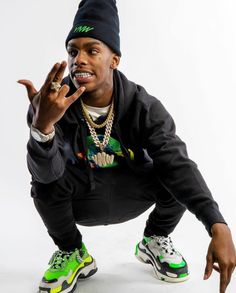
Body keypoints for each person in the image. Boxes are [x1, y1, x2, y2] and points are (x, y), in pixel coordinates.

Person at [18, 0, 236, 293]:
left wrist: (216, 224)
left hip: (132, 191)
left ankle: (155, 238)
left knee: (174, 173)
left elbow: (177, 163)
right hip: (79, 195)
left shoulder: (143, 106)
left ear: (114, 59)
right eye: (73, 51)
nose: (78, 59)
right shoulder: (51, 103)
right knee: (43, 185)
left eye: (92, 50)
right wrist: (42, 127)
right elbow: (46, 174)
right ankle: (72, 251)